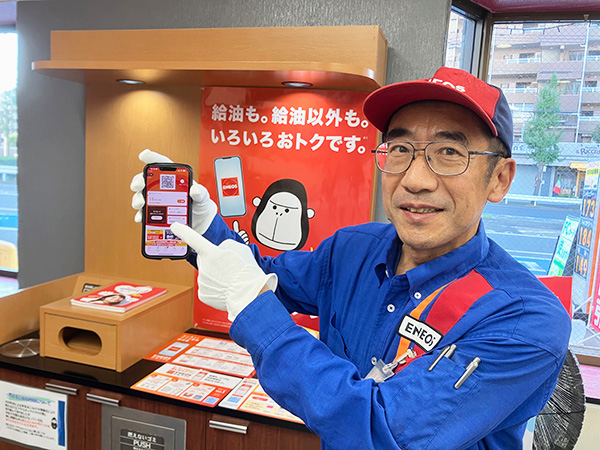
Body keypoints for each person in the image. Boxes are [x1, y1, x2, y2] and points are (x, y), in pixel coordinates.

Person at [130, 67, 571, 450]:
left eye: (449, 153)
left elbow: (382, 431)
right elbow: (264, 278)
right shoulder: (353, 249)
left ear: (499, 179)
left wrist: (253, 307)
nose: (415, 179)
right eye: (400, 150)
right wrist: (201, 226)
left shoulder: (524, 320)